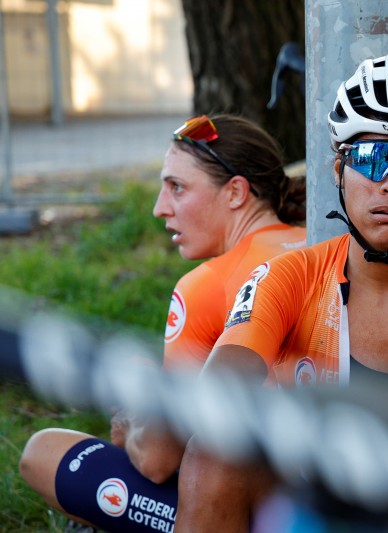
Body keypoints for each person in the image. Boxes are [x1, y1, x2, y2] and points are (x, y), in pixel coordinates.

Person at [173, 52, 388, 532]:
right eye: (373, 160)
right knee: (214, 450)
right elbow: (216, 397)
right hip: (324, 508)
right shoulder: (289, 277)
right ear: (339, 170)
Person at [18, 113, 307, 532]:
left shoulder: (208, 285)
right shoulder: (318, 246)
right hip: (346, 488)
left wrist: (132, 424)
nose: (159, 208)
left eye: (177, 187)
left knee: (42, 452)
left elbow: (157, 460)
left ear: (236, 193)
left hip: (266, 506)